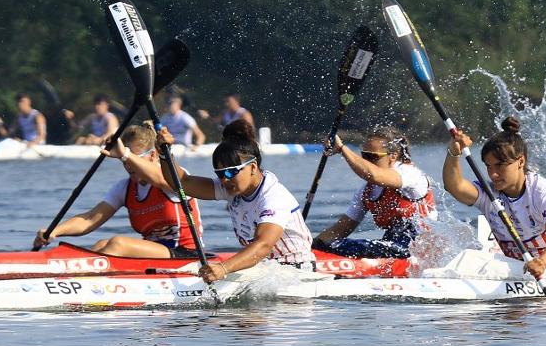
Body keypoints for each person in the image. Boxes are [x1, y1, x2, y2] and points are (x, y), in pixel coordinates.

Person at [157, 120, 314, 283]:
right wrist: (164, 153)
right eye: (220, 173)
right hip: (264, 270)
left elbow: (263, 245)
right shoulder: (233, 188)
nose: (225, 179)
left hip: (294, 273)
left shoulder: (273, 197)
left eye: (231, 172)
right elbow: (183, 183)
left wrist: (223, 268)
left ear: (253, 167)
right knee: (192, 270)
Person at [33, 122, 203, 258]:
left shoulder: (173, 175)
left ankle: (86, 278)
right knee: (101, 244)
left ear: (152, 156)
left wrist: (125, 154)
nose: (127, 165)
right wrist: (54, 231)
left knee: (118, 243)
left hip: (187, 254)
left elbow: (159, 179)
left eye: (132, 158)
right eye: (123, 160)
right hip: (155, 253)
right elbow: (89, 219)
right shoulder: (125, 188)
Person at [443, 116, 546, 280]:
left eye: (500, 165)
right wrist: (454, 153)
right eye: (489, 166)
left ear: (520, 161)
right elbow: (454, 186)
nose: (493, 174)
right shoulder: (489, 193)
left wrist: (542, 263)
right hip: (518, 269)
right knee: (469, 258)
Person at [313, 126, 436, 258]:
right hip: (392, 246)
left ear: (393, 156)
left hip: (420, 247)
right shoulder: (365, 192)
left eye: (372, 156)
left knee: (353, 247)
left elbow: (374, 175)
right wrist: (311, 246)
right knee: (329, 245)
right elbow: (340, 230)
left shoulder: (410, 174)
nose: (366, 161)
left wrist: (342, 149)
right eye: (364, 155)